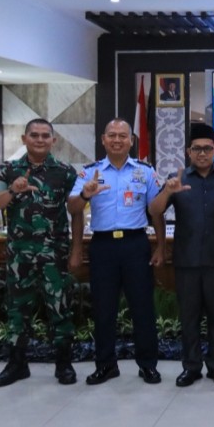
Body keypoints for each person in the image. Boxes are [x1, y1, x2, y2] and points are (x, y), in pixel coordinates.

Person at [68, 119, 167, 385]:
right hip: (103, 246)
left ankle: (147, 365)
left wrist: (160, 245)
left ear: (131, 140)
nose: (117, 140)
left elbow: (156, 211)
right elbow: (73, 208)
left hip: (136, 244)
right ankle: (106, 364)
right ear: (103, 140)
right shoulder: (90, 172)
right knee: (103, 308)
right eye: (111, 135)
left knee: (142, 308)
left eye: (123, 136)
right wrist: (86, 195)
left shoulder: (145, 171)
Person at [148, 123, 214, 387]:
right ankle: (191, 366)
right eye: (196, 149)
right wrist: (168, 190)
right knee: (189, 317)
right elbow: (155, 210)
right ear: (189, 151)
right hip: (186, 260)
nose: (202, 153)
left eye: (207, 149)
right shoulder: (178, 179)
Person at [0, 118, 79, 387]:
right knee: (17, 311)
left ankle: (64, 364)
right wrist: (13, 191)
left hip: (55, 255)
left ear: (54, 140)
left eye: (45, 136)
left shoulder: (64, 172)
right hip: (20, 257)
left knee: (60, 309)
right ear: (24, 139)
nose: (40, 140)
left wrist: (76, 251)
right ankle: (17, 365)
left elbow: (75, 212)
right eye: (34, 135)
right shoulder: (8, 170)